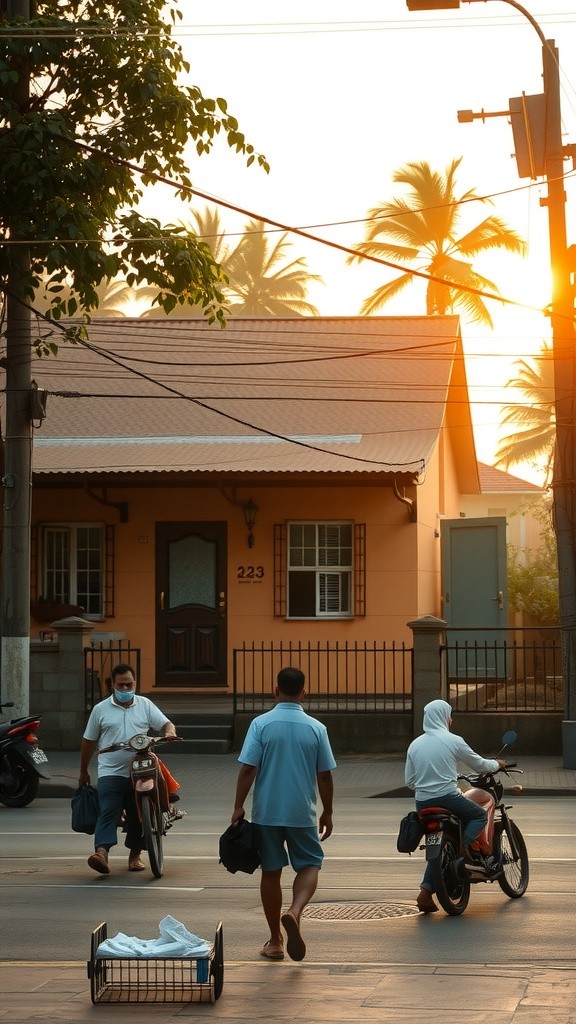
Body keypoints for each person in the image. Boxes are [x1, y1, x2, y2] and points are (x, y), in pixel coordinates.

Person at [231, 666, 336, 962]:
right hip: (302, 812)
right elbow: (324, 775)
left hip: (267, 812)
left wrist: (238, 806)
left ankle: (275, 941)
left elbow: (248, 768)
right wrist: (327, 812)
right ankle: (295, 911)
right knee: (311, 863)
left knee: (271, 871)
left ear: (275, 690)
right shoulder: (316, 728)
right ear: (305, 693)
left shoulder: (260, 724)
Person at [405, 699, 506, 914]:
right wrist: (496, 764)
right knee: (478, 815)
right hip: (448, 797)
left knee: (438, 845)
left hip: (422, 802)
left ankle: (425, 892)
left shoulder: (415, 744)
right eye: (449, 715)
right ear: (442, 717)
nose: (451, 720)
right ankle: (463, 850)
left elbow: (410, 781)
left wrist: (429, 782)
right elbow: (480, 764)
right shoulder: (453, 740)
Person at [79, 663, 178, 875]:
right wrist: (83, 771)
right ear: (112, 685)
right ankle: (101, 853)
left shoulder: (145, 705)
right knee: (108, 809)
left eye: (129, 684)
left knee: (139, 812)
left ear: (135, 683)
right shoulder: (100, 710)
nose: (125, 689)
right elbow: (89, 741)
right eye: (120, 685)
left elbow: (166, 724)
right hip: (110, 771)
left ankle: (135, 855)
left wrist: (169, 732)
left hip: (140, 770)